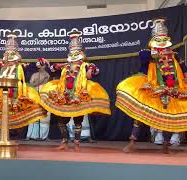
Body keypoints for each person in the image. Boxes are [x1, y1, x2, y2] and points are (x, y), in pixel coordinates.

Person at [116, 18, 187, 154]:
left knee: (169, 117)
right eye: (158, 40)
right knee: (140, 115)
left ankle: (166, 146)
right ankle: (132, 142)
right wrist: (157, 54)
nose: (162, 43)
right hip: (152, 88)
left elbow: (183, 69)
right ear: (153, 40)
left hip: (173, 88)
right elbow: (143, 58)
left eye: (163, 40)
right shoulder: (147, 53)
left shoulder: (175, 56)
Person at [39, 31, 111, 152]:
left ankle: (77, 144)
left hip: (79, 96)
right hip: (64, 95)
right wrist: (51, 65)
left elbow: (96, 71)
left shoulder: (85, 65)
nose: (74, 56)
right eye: (72, 53)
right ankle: (65, 142)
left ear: (81, 54)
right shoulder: (65, 66)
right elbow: (52, 69)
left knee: (78, 122)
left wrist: (90, 70)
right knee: (61, 122)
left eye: (76, 53)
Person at [0, 33, 47, 129]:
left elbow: (32, 66)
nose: (10, 47)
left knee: (27, 95)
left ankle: (16, 122)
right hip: (1, 85)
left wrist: (40, 63)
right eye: (8, 46)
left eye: (12, 46)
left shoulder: (21, 65)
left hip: (17, 87)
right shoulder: (2, 63)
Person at [26, 58, 51, 140]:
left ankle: (44, 136)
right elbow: (31, 85)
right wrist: (40, 81)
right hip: (35, 94)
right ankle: (31, 135)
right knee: (34, 115)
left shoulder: (47, 74)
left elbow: (49, 84)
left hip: (45, 94)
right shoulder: (34, 75)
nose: (40, 66)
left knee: (45, 116)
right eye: (39, 65)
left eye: (41, 65)